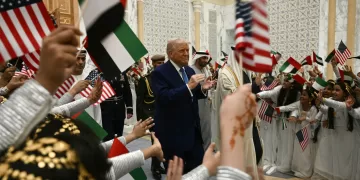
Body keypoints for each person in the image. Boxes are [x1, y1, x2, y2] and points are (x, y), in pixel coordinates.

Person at [151, 38, 216, 173]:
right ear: (171, 54)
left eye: (187, 50)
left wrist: (203, 88)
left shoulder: (189, 71)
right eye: (182, 51)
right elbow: (164, 97)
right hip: (173, 135)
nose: (186, 54)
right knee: (177, 174)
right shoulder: (159, 73)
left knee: (197, 171)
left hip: (193, 133)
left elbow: (193, 94)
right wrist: (189, 86)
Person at [214, 47, 263, 179]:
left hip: (248, 120)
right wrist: (253, 86)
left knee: (257, 150)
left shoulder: (244, 72)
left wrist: (256, 87)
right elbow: (231, 96)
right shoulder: (225, 73)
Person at [136, 54, 166, 179]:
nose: (160, 65)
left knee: (163, 140)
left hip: (164, 113)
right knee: (156, 140)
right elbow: (140, 101)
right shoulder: (145, 80)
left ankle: (158, 164)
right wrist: (141, 120)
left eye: (162, 63)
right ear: (153, 64)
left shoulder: (165, 79)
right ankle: (155, 168)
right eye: (158, 63)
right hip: (151, 114)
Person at [101, 69, 133, 141]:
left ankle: (118, 151)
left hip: (119, 108)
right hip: (105, 108)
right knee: (108, 135)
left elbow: (127, 91)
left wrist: (129, 108)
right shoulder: (99, 73)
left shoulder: (121, 73)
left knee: (119, 135)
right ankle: (108, 152)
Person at [190, 50, 213, 150]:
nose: (206, 60)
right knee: (199, 131)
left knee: (207, 130)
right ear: (197, 59)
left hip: (206, 105)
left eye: (207, 58)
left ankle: (206, 155)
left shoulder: (205, 70)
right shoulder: (191, 70)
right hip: (196, 105)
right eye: (204, 58)